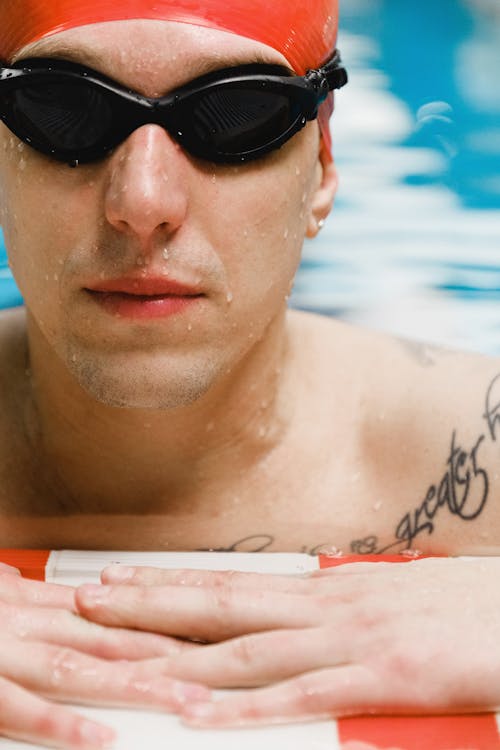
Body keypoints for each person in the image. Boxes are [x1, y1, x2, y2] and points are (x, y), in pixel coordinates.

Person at [1, 0, 500, 748]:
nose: (143, 205)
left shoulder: (464, 440)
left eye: (235, 116)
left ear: (325, 163)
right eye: (64, 109)